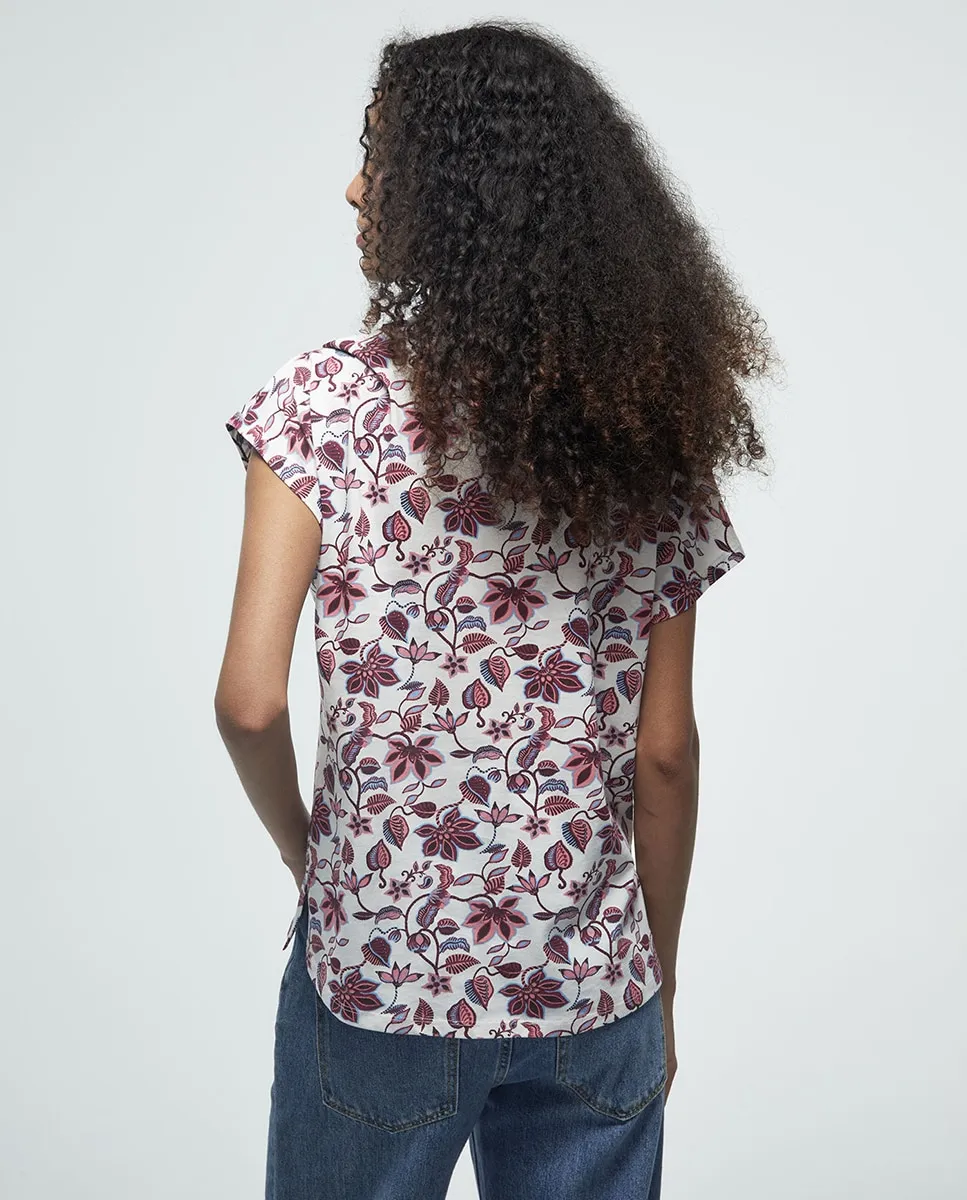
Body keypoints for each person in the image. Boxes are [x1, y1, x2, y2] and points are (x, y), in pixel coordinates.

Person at [214, 19, 774, 1200]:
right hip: (591, 991)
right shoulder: (648, 432)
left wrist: (315, 862)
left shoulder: (320, 406)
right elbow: (664, 754)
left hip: (379, 974)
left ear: (454, 192)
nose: (354, 186)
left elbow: (249, 703)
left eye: (379, 154)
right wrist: (656, 983)